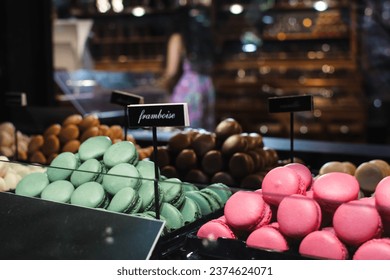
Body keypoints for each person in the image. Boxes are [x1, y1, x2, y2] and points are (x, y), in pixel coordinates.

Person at [157, 0, 216, 131]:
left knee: (187, 134)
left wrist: (159, 86)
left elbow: (171, 72)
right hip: (207, 87)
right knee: (204, 136)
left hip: (188, 90)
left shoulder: (177, 38)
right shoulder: (203, 39)